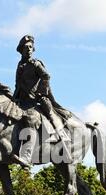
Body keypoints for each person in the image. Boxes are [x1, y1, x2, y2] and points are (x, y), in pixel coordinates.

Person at [13, 35, 70, 168]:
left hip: (34, 101)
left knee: (30, 120)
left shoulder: (35, 64)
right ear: (21, 49)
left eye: (31, 47)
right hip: (20, 100)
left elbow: (46, 76)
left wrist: (41, 92)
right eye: (26, 47)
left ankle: (27, 157)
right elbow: (18, 85)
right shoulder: (20, 65)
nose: (29, 50)